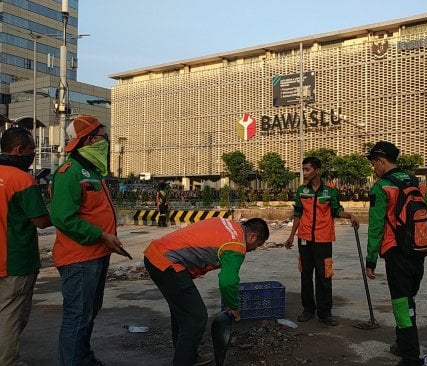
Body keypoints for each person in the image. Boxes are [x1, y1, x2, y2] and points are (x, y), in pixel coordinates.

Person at [50, 115, 127, 366]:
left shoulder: (92, 172)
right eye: (102, 136)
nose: (105, 140)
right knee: (77, 317)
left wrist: (105, 239)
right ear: (89, 140)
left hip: (96, 256)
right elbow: (63, 218)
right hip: (79, 259)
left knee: (88, 314)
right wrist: (100, 235)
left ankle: (83, 358)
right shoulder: (69, 173)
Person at [143, 217, 270, 366]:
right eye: (256, 245)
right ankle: (183, 361)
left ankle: (188, 356)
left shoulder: (229, 225)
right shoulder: (236, 244)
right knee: (196, 317)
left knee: (183, 313)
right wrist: (233, 306)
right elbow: (228, 281)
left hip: (156, 255)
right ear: (253, 236)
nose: (253, 250)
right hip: (168, 263)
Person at [365, 141, 426, 366]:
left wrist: (371, 259)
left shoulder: (381, 187)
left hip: (396, 252)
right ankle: (402, 344)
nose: (374, 168)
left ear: (381, 161)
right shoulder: (412, 181)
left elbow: (375, 226)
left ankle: (411, 358)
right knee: (408, 299)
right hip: (418, 249)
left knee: (401, 303)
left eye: (374, 163)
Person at [284, 156, 359, 326]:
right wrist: (291, 236)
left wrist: (349, 215)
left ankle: (325, 313)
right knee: (305, 275)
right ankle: (308, 310)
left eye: (308, 169)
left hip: (323, 240)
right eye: (303, 169)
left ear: (317, 170)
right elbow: (297, 214)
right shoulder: (302, 190)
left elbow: (336, 210)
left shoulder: (330, 191)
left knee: (324, 276)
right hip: (304, 239)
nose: (305, 173)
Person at [0, 127, 51, 365]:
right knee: (11, 315)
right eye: (31, 150)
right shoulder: (22, 179)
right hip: (15, 260)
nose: (32, 155)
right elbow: (40, 221)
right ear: (19, 150)